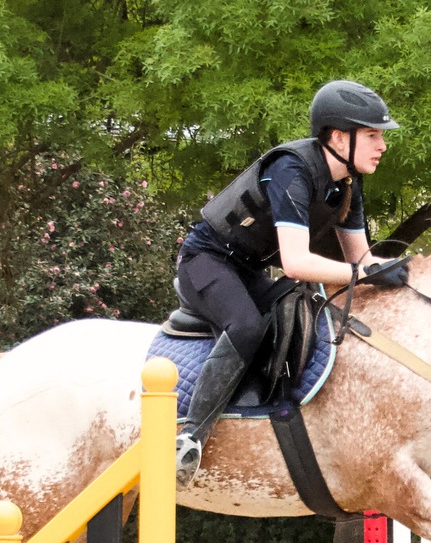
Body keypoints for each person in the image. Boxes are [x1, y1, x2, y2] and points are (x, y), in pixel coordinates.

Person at [172, 79, 401, 480]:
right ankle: (190, 437)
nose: (381, 145)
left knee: (304, 315)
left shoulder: (346, 183)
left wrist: (407, 274)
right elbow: (296, 263)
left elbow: (361, 260)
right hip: (204, 262)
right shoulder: (290, 169)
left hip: (247, 271)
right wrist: (366, 272)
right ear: (337, 137)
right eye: (371, 135)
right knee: (246, 327)